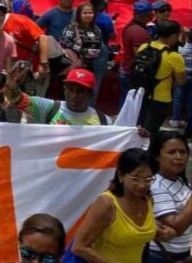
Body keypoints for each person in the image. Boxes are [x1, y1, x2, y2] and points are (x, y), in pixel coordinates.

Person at [70, 148, 177, 262]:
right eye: (135, 179)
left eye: (148, 179)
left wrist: (162, 232)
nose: (142, 185)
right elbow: (79, 247)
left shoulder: (148, 200)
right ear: (121, 176)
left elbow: (135, 232)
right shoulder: (107, 204)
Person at [147, 131, 191, 263]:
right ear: (157, 156)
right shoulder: (156, 185)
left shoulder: (182, 182)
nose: (179, 157)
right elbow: (177, 226)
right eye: (171, 152)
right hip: (161, 256)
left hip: (184, 253)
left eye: (183, 152)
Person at [138, 20, 186, 135]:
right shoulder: (174, 56)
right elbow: (181, 82)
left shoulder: (144, 47)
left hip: (141, 95)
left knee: (139, 130)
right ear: (174, 35)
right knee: (150, 133)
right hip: (160, 99)